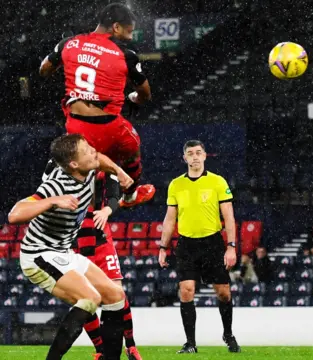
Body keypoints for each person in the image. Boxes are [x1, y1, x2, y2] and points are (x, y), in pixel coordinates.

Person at [7, 134, 133, 360]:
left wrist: (118, 171)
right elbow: (14, 215)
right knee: (90, 298)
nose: (94, 151)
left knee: (116, 295)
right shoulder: (56, 185)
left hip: (63, 251)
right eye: (87, 151)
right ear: (73, 164)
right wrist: (53, 201)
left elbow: (101, 159)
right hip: (39, 254)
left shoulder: (87, 167)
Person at [39, 3, 154, 208]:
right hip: (108, 126)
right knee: (132, 149)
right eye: (129, 31)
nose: (130, 36)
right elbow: (145, 93)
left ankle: (56, 186)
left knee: (83, 177)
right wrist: (134, 98)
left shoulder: (69, 43)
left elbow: (44, 70)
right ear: (116, 27)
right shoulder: (126, 54)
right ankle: (129, 196)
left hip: (75, 125)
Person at [158, 140, 240, 354]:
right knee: (186, 291)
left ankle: (228, 334)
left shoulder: (218, 182)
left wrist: (231, 246)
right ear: (184, 158)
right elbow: (169, 219)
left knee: (223, 292)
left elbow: (229, 216)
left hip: (212, 243)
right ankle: (190, 343)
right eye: (190, 153)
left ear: (205, 156)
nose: (194, 157)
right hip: (186, 245)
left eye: (198, 153)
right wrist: (162, 247)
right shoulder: (175, 184)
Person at [68, 169, 142, 360]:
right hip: (75, 244)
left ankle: (131, 346)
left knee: (117, 293)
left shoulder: (105, 169)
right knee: (84, 299)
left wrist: (107, 210)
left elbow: (113, 195)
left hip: (101, 241)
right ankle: (101, 350)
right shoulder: (62, 167)